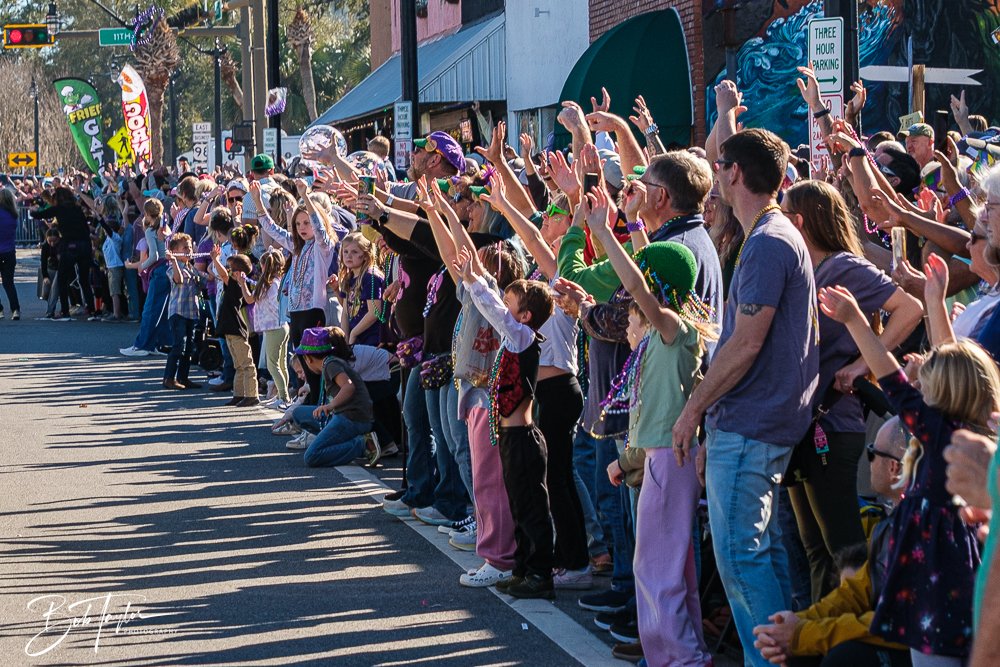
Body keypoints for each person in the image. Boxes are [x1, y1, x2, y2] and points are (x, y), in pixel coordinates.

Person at [672, 127, 820, 665]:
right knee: (767, 555)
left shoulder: (767, 241)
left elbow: (745, 344)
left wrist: (694, 410)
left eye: (720, 167)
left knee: (742, 556)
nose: (713, 180)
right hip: (758, 421)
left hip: (753, 423)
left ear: (735, 173)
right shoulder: (771, 236)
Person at [818, 281, 1000, 667]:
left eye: (926, 385)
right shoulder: (969, 432)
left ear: (942, 396)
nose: (917, 385)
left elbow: (890, 378)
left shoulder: (939, 434)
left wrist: (854, 320)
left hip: (935, 597)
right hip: (957, 592)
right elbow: (959, 368)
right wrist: (934, 300)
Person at [588, 180, 718, 666]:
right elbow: (649, 417)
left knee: (656, 566)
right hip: (659, 456)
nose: (628, 315)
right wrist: (627, 459)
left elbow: (645, 285)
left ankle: (679, 659)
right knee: (670, 565)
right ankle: (679, 653)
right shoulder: (657, 342)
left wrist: (606, 233)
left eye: (637, 308)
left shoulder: (673, 332)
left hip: (672, 459)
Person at [781, 179, 923, 601]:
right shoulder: (800, 269)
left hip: (833, 423)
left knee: (844, 549)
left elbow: (909, 308)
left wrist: (862, 364)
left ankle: (858, 640)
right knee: (816, 551)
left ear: (800, 221)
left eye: (784, 215)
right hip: (802, 427)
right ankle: (820, 645)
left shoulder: (843, 267)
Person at [752, 418, 913, 667]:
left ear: (894, 467)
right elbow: (856, 591)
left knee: (843, 658)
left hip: (913, 647)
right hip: (890, 633)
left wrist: (805, 633)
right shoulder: (893, 524)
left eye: (872, 453)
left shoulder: (923, 530)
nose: (867, 458)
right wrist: (800, 622)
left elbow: (894, 621)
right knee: (796, 653)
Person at [455, 244, 556, 600]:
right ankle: (524, 569)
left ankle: (541, 574)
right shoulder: (515, 339)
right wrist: (473, 281)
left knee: (531, 509)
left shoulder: (521, 337)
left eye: (512, 305)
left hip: (524, 438)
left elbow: (495, 312)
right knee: (519, 506)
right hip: (511, 437)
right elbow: (495, 308)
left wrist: (474, 282)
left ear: (525, 316)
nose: (505, 311)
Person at [255, 180, 338, 405]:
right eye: (298, 223)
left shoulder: (323, 247)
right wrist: (259, 207)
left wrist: (306, 197)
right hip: (296, 313)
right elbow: (274, 230)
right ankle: (309, 413)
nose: (302, 227)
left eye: (306, 222)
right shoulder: (298, 247)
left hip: (313, 311)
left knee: (317, 367)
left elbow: (320, 228)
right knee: (303, 366)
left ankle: (319, 411)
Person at [288, 326, 375, 467]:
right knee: (298, 413)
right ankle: (338, 439)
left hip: (352, 418)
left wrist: (330, 405)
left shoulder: (331, 364)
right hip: (343, 415)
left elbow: (348, 386)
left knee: (312, 456)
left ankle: (363, 444)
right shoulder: (330, 362)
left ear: (308, 358)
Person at [30, 186, 98, 320]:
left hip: (69, 246)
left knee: (62, 278)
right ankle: (92, 310)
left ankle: (65, 311)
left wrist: (33, 211)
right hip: (84, 246)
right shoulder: (77, 209)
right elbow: (85, 227)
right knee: (84, 280)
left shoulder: (59, 209)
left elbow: (40, 215)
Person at [120, 199, 172, 355]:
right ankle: (160, 343)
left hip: (159, 269)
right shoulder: (165, 227)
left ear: (148, 214)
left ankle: (142, 345)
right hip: (169, 268)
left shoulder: (150, 230)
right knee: (162, 310)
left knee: (149, 310)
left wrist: (142, 266)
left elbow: (154, 255)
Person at [211, 247, 258, 407]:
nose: (227, 270)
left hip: (236, 329)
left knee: (246, 363)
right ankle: (239, 394)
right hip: (229, 330)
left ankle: (252, 394)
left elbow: (223, 274)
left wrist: (216, 259)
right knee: (238, 364)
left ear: (237, 273)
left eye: (230, 268)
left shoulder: (237, 285)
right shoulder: (233, 285)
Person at [246, 247, 291, 407]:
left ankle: (283, 398)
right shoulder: (277, 283)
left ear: (264, 265)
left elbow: (255, 300)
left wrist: (242, 284)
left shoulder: (268, 285)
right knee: (281, 363)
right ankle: (283, 395)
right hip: (282, 326)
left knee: (273, 365)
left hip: (274, 327)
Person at [163, 233, 205, 390]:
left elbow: (205, 281)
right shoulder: (172, 268)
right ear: (175, 251)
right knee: (178, 346)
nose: (188, 250)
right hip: (178, 313)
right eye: (185, 248)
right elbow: (178, 279)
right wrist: (173, 261)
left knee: (189, 347)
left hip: (191, 313)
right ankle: (169, 377)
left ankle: (183, 377)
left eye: (190, 247)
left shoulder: (191, 268)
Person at [337, 231, 384, 346]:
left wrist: (353, 333)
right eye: (346, 251)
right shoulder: (348, 277)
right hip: (356, 340)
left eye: (354, 252)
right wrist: (346, 338)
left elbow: (375, 312)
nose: (348, 255)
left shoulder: (371, 277)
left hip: (372, 339)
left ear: (365, 255)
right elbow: (345, 312)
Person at [0, 187, 21, 320]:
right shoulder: (14, 215)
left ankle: (0, 310)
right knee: (9, 283)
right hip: (9, 251)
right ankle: (15, 309)